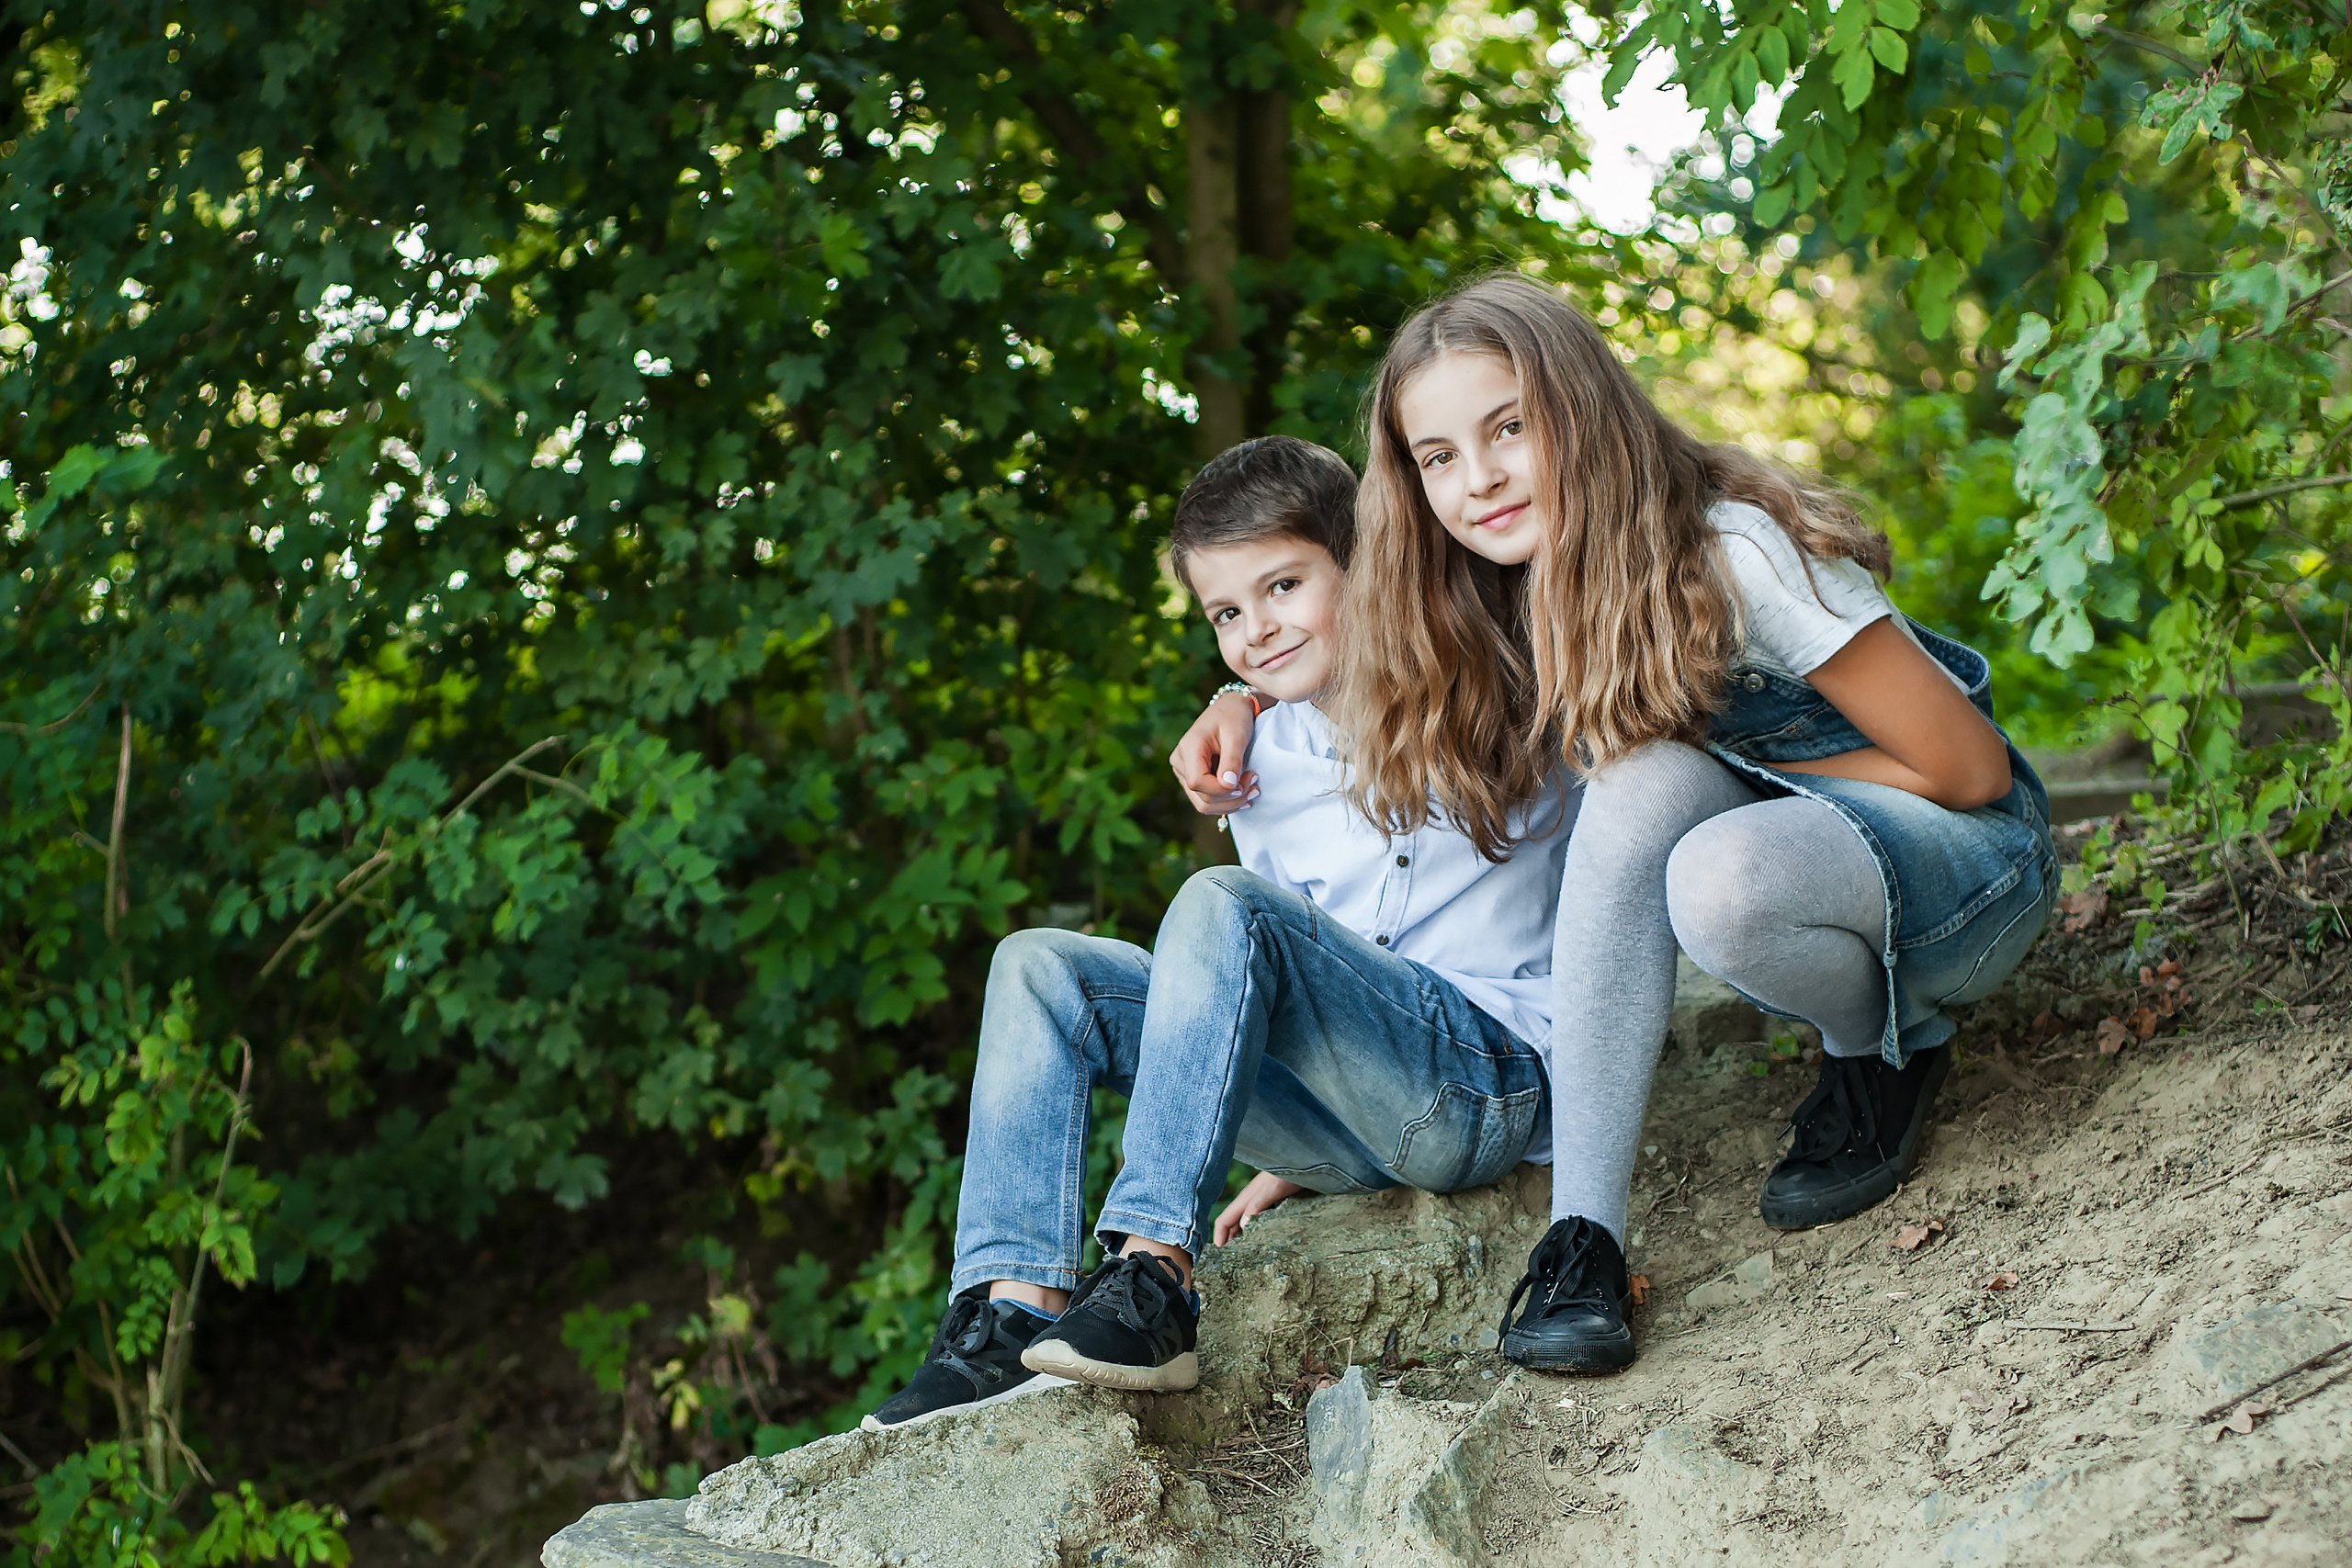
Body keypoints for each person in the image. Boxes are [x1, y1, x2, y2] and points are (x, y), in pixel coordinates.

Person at [1171, 275, 2056, 1374]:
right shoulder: (1503, 591)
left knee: (1709, 863)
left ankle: (1882, 1050)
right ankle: (1582, 1243)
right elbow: (1332, 641)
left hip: (1965, 870)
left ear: (1578, 410)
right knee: (1659, 803)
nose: (1478, 478)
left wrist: (1738, 763)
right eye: (1438, 456)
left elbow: (1965, 770)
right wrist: (1242, 703)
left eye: (1508, 428)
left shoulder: (1731, 551)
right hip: (1789, 863)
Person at [865, 434, 1573, 1432]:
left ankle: (1155, 1274)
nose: (1256, 631)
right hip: (1357, 1120)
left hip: (1486, 1086)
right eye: (1227, 614)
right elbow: (1282, 987)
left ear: (1364, 562)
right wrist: (1281, 1159)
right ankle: (1011, 1311)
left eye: (1283, 586)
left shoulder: (1494, 670)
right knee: (1039, 968)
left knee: (1221, 903)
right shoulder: (1256, 767)